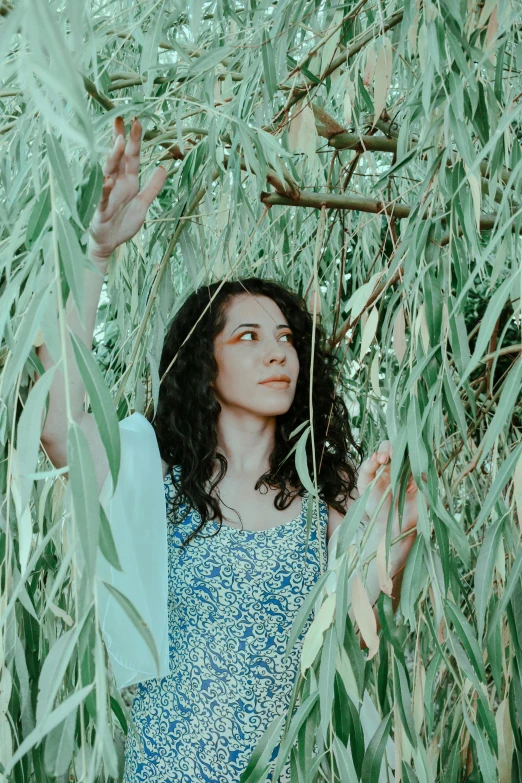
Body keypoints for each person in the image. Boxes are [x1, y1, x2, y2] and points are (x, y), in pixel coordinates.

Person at [39, 117, 417, 782]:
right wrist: (96, 253)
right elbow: (60, 424)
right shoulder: (152, 482)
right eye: (247, 336)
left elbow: (364, 627)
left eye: (286, 336)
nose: (277, 350)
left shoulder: (329, 495)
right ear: (200, 364)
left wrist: (395, 542)